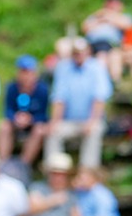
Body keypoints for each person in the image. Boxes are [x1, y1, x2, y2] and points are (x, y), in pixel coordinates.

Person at [44, 38, 111, 172]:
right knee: (53, 132)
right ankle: (54, 170)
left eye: (81, 52)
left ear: (88, 52)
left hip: (91, 119)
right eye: (76, 52)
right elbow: (59, 99)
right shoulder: (63, 68)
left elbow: (99, 99)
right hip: (69, 121)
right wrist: (54, 122)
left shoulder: (97, 68)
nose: (79, 55)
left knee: (94, 130)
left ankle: (87, 172)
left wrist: (91, 121)